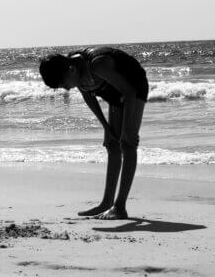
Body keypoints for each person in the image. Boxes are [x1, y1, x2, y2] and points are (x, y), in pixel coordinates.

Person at [39, 47, 148, 220]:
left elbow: (129, 92)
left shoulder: (98, 65)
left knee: (128, 143)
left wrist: (127, 130)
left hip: (133, 87)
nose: (67, 89)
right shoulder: (74, 71)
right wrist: (106, 128)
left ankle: (120, 207)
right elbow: (89, 97)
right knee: (112, 145)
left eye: (64, 84)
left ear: (71, 70)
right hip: (113, 94)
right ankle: (106, 203)